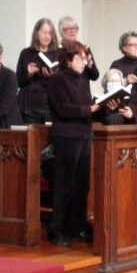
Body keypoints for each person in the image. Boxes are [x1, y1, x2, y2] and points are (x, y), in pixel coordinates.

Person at [47, 40, 100, 247]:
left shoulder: (83, 77)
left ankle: (74, 227)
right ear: (69, 60)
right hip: (67, 136)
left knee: (82, 185)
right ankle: (57, 229)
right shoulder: (57, 79)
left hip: (85, 134)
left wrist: (101, 107)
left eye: (86, 58)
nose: (85, 63)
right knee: (64, 185)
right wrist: (90, 110)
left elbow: (87, 103)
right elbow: (63, 109)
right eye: (81, 58)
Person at [16, 18, 59, 123]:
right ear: (36, 33)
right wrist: (29, 73)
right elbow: (18, 81)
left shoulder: (57, 54)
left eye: (50, 33)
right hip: (29, 106)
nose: (47, 36)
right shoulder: (26, 53)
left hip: (50, 105)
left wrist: (52, 76)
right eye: (44, 32)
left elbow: (63, 82)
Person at [57, 16, 99, 81]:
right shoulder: (58, 50)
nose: (72, 31)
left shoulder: (85, 49)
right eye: (68, 28)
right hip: (65, 88)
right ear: (62, 31)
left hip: (82, 89)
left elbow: (95, 76)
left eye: (74, 28)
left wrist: (90, 66)